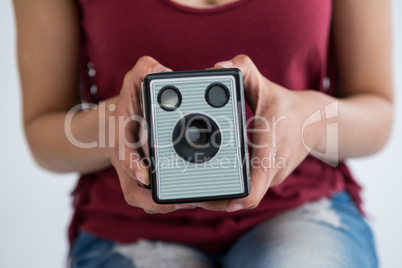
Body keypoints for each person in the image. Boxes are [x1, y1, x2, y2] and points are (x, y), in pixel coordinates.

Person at [13, 0, 393, 267]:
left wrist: (308, 118)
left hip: (301, 206)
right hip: (130, 224)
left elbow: (379, 113)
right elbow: (43, 133)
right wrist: (118, 122)